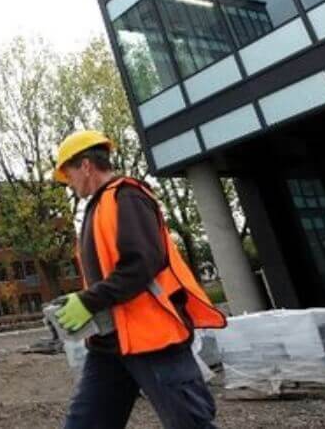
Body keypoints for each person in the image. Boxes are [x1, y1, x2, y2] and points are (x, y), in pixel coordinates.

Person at [52, 130, 227, 429]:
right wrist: (83, 304)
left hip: (153, 337)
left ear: (85, 165)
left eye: (67, 173)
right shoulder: (97, 206)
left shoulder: (128, 196)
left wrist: (89, 301)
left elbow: (142, 263)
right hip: (111, 344)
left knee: (190, 424)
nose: (68, 182)